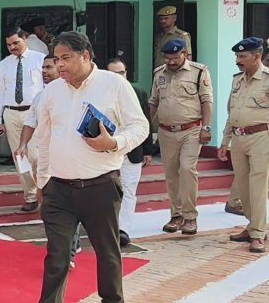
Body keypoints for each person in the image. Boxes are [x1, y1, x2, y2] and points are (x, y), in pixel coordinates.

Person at [14, 32, 149, 303]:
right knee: (57, 254)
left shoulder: (114, 85)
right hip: (59, 189)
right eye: (56, 59)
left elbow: (140, 126)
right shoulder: (51, 92)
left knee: (106, 249)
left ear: (85, 56)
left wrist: (114, 143)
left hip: (100, 185)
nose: (60, 65)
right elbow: (45, 138)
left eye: (66, 58)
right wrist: (43, 180)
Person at [16, 55, 82, 268]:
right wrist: (23, 145)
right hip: (48, 161)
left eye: (49, 67)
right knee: (53, 207)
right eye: (42, 67)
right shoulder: (40, 97)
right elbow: (30, 122)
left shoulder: (75, 95)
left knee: (70, 207)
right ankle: (65, 247)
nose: (44, 71)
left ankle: (68, 252)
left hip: (72, 161)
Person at [149, 39, 213, 236]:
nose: (170, 62)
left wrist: (206, 127)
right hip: (166, 131)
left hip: (191, 130)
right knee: (171, 174)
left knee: (186, 169)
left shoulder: (199, 71)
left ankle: (190, 216)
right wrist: (147, 127)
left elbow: (206, 101)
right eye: (167, 58)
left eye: (175, 58)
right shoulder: (159, 73)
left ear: (184, 54)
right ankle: (176, 215)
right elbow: (154, 101)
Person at [219, 37, 268, 254]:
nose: (238, 61)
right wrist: (225, 141)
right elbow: (232, 112)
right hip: (238, 138)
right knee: (243, 186)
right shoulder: (237, 80)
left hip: (261, 137)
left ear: (256, 56)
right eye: (237, 56)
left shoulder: (267, 79)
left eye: (242, 56)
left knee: (258, 186)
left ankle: (258, 234)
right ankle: (252, 224)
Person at [0, 28, 46, 212]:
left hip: (34, 112)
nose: (12, 47)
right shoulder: (4, 65)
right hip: (11, 113)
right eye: (9, 45)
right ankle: (30, 196)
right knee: (20, 157)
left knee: (36, 156)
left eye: (16, 43)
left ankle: (44, 192)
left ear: (25, 39)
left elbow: (47, 87)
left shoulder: (40, 59)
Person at [107, 58, 153, 247]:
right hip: (108, 150)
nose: (119, 77)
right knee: (108, 191)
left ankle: (123, 229)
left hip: (133, 151)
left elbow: (146, 122)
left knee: (129, 189)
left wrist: (148, 150)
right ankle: (108, 226)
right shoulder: (100, 93)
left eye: (122, 72)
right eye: (114, 74)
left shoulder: (138, 92)